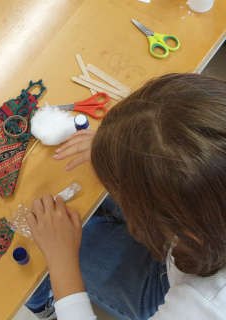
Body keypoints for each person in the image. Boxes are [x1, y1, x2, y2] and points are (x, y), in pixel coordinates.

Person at [26, 74, 226, 319]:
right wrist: (118, 148)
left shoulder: (203, 307)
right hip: (194, 249)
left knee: (58, 243)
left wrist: (61, 261)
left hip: (173, 286)